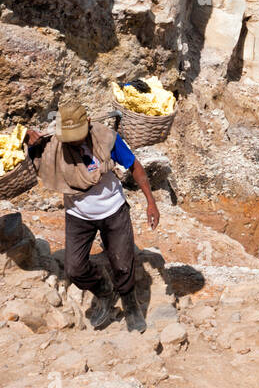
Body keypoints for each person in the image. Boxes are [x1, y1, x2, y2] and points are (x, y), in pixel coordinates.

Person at [27, 102, 160, 333]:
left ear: (88, 124)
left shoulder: (107, 138)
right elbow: (22, 155)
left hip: (113, 210)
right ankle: (104, 291)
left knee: (122, 263)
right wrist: (26, 140)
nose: (75, 142)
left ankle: (131, 306)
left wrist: (151, 202)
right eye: (70, 138)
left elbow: (134, 166)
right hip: (78, 215)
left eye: (78, 136)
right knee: (75, 268)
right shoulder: (54, 146)